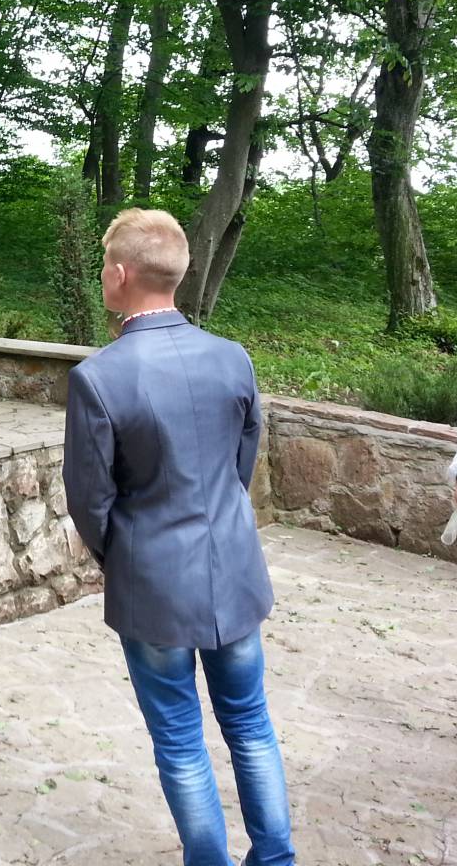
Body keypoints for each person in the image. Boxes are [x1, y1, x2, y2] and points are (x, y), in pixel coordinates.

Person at [64, 208, 294, 866]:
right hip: (234, 569)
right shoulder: (232, 357)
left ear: (119, 274)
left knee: (180, 739)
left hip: (154, 581)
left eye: (103, 267)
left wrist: (126, 555)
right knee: (250, 723)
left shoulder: (99, 377)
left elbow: (89, 499)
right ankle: (275, 857)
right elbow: (241, 462)